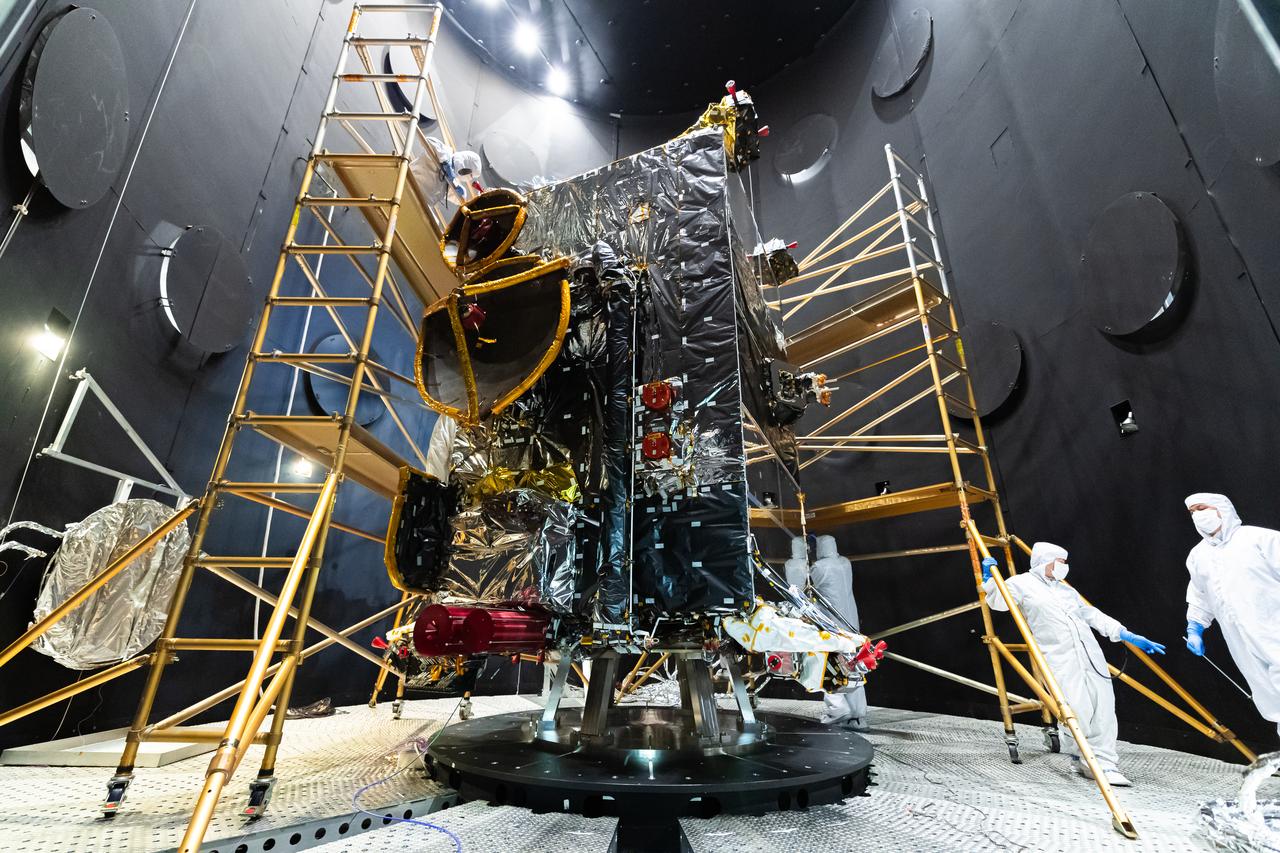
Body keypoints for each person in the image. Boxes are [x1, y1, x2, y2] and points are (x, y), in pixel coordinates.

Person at [982, 542, 1165, 787]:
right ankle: (1087, 759)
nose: (1064, 566)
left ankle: (1105, 762)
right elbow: (999, 603)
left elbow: (1090, 614)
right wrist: (991, 581)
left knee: (1103, 708)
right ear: (1045, 560)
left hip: (1089, 654)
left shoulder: (1066, 590)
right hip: (1058, 657)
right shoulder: (1021, 584)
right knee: (1076, 708)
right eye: (1060, 561)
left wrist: (1124, 633)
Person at [1183, 493, 1280, 738]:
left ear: (1221, 509)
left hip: (1274, 627)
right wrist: (1195, 627)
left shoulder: (1260, 538)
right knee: (1268, 695)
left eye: (1201, 508)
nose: (1197, 515)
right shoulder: (1198, 555)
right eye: (1192, 512)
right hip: (1240, 639)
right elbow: (1200, 596)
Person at [810, 535, 869, 732]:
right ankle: (859, 716)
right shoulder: (845, 562)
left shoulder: (819, 567)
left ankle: (838, 709)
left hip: (832, 625)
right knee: (854, 668)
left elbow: (808, 589)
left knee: (830, 667)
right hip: (850, 621)